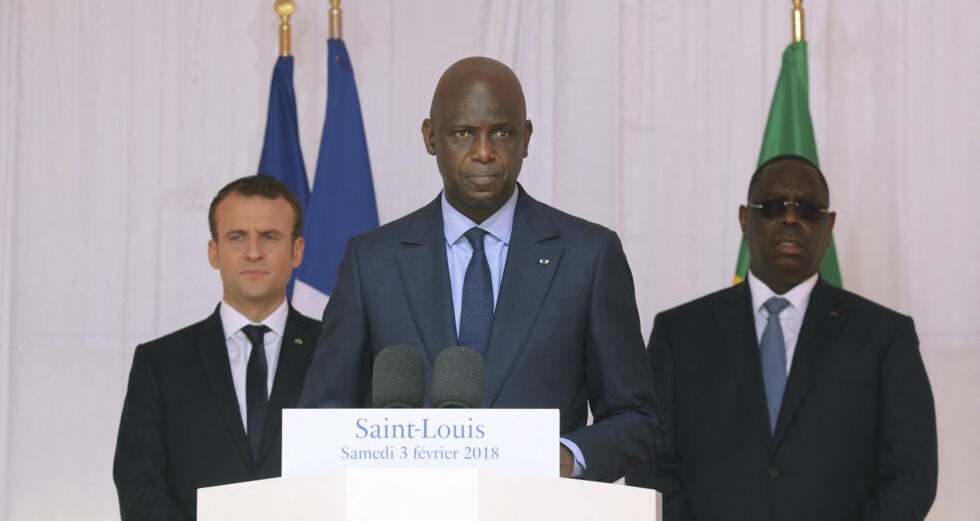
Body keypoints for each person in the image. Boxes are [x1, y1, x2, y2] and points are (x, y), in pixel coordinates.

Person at [299, 56, 659, 482]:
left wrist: (568, 455)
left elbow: (637, 419)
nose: (484, 152)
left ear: (525, 138)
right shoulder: (372, 261)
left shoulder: (589, 255)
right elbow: (323, 418)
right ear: (431, 138)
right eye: (463, 133)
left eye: (502, 133)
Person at [626, 155, 937, 520]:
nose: (790, 219)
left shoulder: (884, 336)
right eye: (773, 207)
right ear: (745, 219)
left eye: (807, 210)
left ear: (829, 224)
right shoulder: (680, 333)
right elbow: (649, 464)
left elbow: (911, 474)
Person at [113, 175, 321, 520]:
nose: (253, 252)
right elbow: (139, 485)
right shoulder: (161, 363)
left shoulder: (338, 353)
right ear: (214, 251)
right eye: (237, 237)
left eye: (269, 237)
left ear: (296, 251)